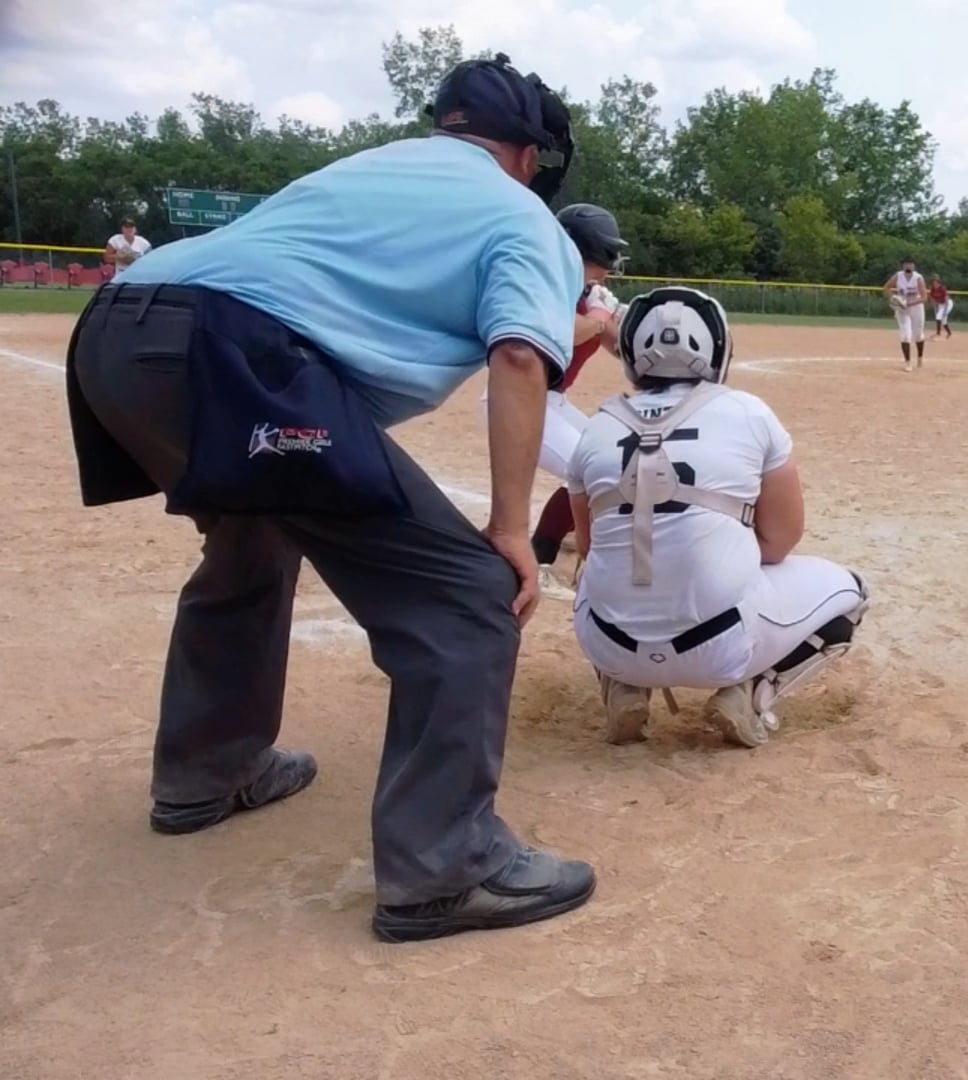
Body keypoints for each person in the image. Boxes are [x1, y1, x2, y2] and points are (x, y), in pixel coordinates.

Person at [63, 54, 598, 943]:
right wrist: (510, 529)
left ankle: (206, 772)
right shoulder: (522, 217)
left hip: (115, 337)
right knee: (468, 596)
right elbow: (518, 357)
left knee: (255, 534)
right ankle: (444, 869)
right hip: (236, 353)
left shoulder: (370, 168)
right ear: (530, 156)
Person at [566, 286, 869, 749]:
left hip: (611, 643)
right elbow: (781, 540)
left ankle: (622, 683)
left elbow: (589, 547)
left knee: (598, 572)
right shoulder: (748, 412)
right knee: (854, 595)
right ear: (717, 347)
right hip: (722, 645)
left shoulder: (596, 426)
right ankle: (749, 691)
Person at [497, 203, 627, 601]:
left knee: (615, 461)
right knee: (592, 470)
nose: (608, 266)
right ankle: (548, 561)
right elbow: (564, 332)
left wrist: (622, 323)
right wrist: (599, 315)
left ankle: (545, 554)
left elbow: (618, 347)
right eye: (605, 254)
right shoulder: (546, 286)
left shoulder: (587, 295)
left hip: (551, 401)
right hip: (519, 401)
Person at [883, 256, 928, 370]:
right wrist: (894, 298)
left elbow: (924, 297)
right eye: (906, 263)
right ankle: (908, 363)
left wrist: (909, 303)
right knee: (905, 336)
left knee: (918, 335)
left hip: (916, 308)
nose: (909, 265)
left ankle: (920, 357)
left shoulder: (918, 278)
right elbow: (886, 288)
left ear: (914, 266)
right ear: (903, 265)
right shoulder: (898, 276)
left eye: (911, 264)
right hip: (902, 309)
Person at [929, 274, 953, 338]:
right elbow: (931, 297)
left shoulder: (942, 288)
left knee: (938, 316)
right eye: (933, 283)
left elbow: (946, 299)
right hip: (941, 305)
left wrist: (945, 310)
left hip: (947, 304)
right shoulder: (933, 289)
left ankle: (938, 333)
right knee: (943, 321)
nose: (934, 284)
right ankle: (949, 333)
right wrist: (933, 302)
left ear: (938, 283)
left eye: (935, 283)